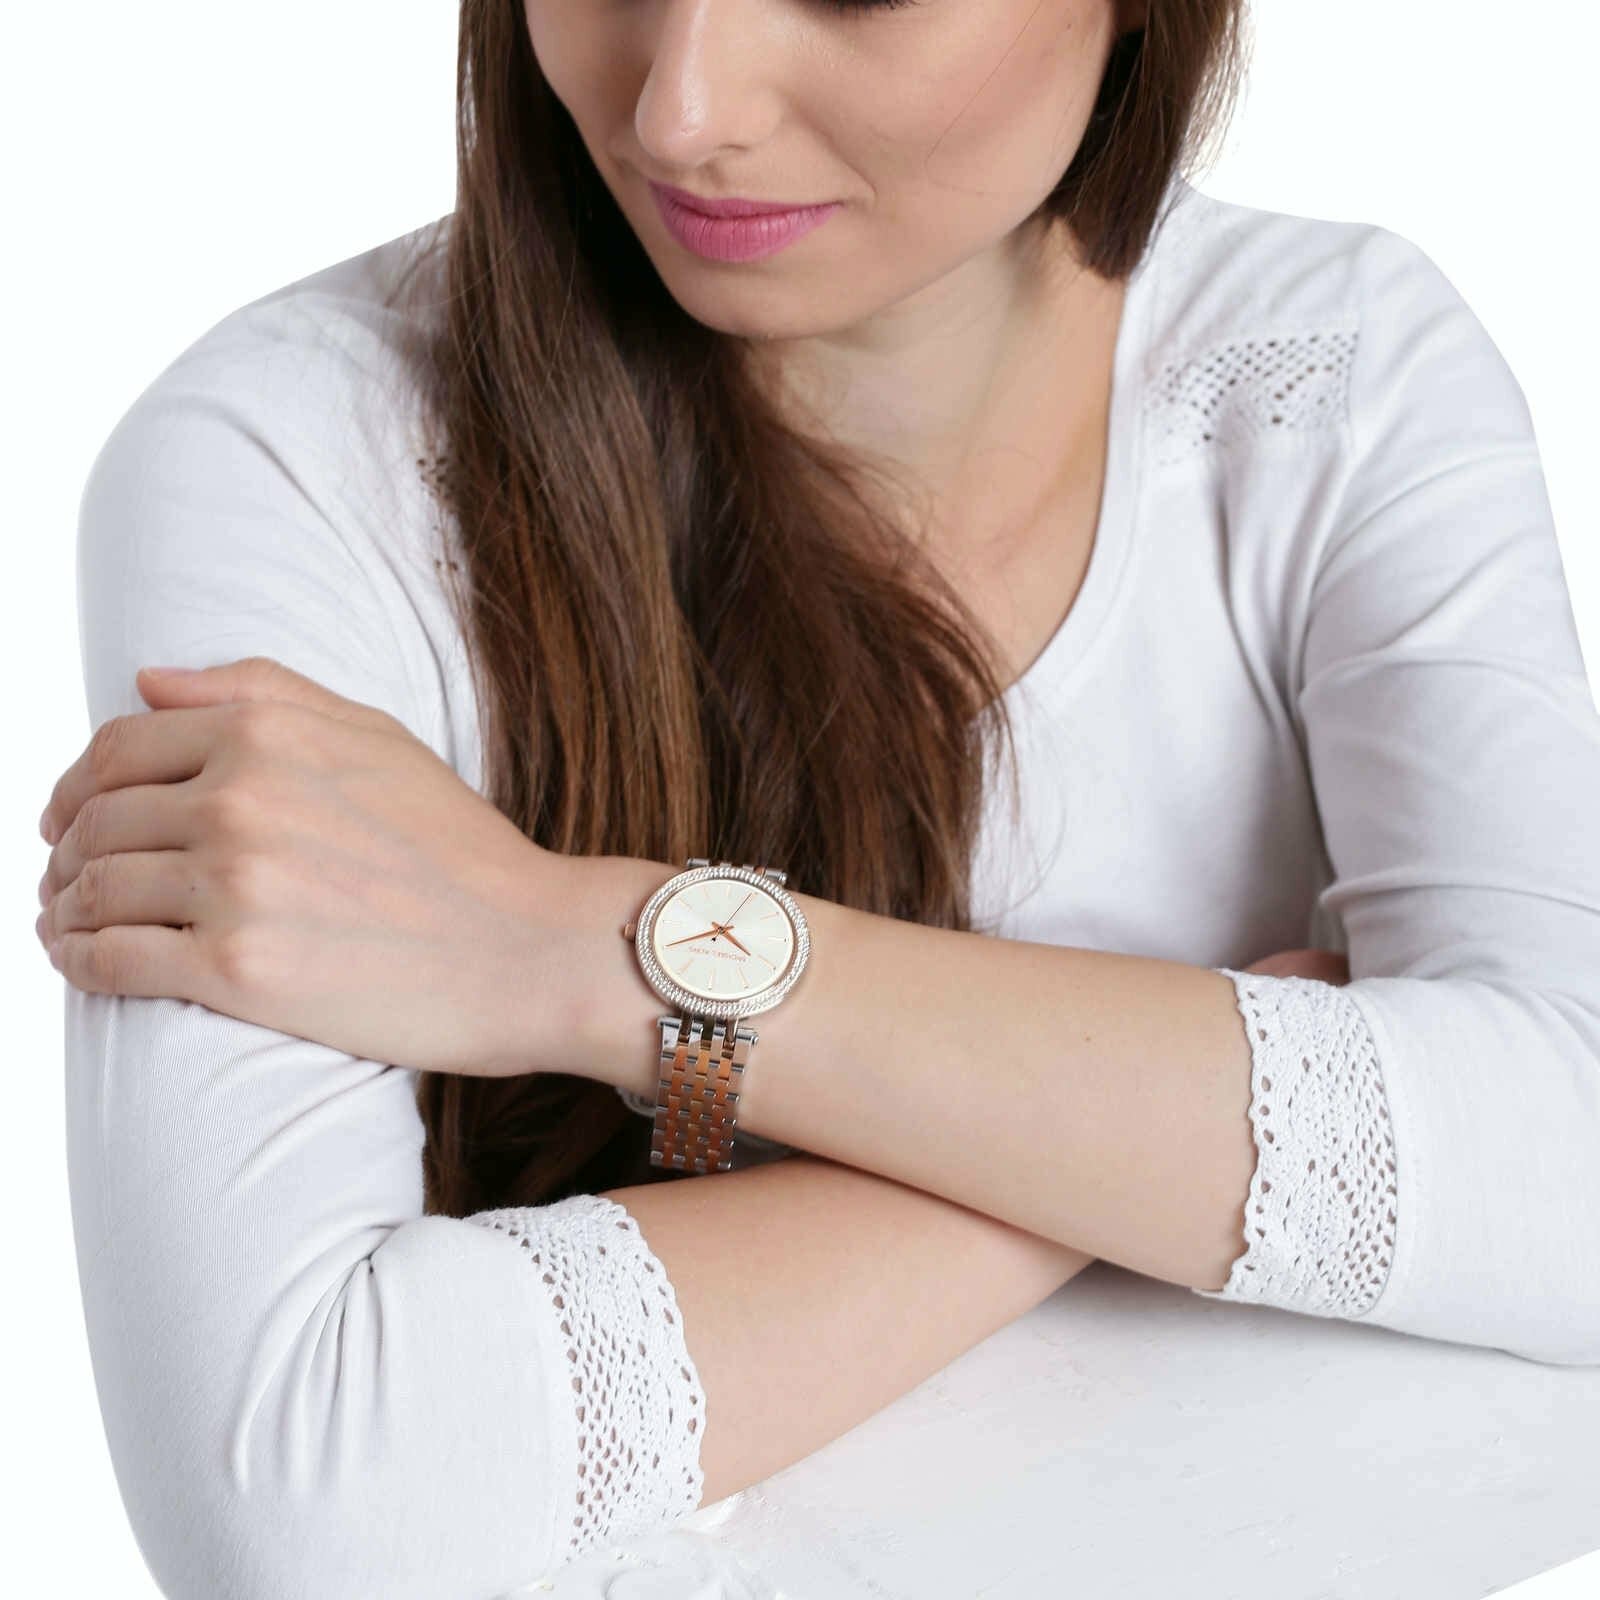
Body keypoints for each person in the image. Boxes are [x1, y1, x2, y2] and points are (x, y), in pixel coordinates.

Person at [42, 1, 1600, 1595]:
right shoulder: (302, 457)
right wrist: (1115, 1154)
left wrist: (581, 950)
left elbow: (1578, 1176)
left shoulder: (1328, 375)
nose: (680, 110)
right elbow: (313, 1511)